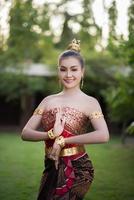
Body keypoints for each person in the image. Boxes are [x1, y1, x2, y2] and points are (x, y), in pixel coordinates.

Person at [21, 39, 109, 200]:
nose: (68, 75)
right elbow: (25, 133)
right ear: (58, 71)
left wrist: (63, 141)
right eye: (63, 70)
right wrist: (51, 134)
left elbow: (103, 135)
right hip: (50, 166)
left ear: (82, 71)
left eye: (74, 70)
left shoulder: (90, 102)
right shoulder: (48, 101)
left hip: (78, 168)